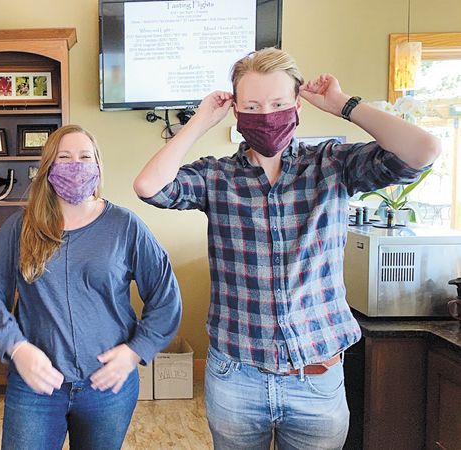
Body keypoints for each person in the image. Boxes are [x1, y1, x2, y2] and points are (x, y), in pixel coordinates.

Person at [133, 48, 441, 450]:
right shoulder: (216, 176)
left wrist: (343, 105)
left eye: (278, 104)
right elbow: (149, 187)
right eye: (253, 106)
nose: (268, 114)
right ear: (239, 114)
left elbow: (423, 151)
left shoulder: (332, 164)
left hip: (316, 379)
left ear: (297, 106)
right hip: (235, 378)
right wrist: (200, 121)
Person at [0, 124, 182, 450]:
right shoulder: (21, 227)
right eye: (64, 157)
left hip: (107, 385)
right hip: (35, 386)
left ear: (97, 166)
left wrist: (135, 351)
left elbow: (166, 295)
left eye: (85, 156)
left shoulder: (125, 226)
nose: (76, 164)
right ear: (49, 168)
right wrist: (16, 347)